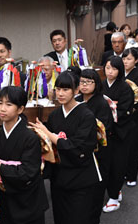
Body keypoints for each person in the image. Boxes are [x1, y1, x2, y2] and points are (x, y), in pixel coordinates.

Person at [30, 71, 100, 224]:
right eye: (58, 89)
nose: (60, 93)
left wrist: (49, 134)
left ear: (76, 91)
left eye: (66, 89)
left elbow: (78, 147)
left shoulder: (86, 115)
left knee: (79, 218)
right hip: (60, 177)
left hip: (80, 177)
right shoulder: (55, 115)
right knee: (60, 218)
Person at [0, 86, 49, 224]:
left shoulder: (30, 137)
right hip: (5, 196)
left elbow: (26, 173)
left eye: (9, 104)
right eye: (0, 103)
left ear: (20, 109)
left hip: (27, 198)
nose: (2, 108)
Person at [76, 69, 114, 224]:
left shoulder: (101, 103)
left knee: (94, 193)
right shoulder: (76, 99)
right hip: (79, 151)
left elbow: (104, 129)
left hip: (97, 153)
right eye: (81, 81)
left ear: (96, 84)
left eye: (88, 82)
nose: (84, 85)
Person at [101, 56, 134, 213]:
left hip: (120, 131)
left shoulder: (125, 88)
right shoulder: (101, 86)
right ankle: (115, 190)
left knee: (118, 163)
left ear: (120, 70)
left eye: (114, 68)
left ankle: (114, 197)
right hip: (105, 131)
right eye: (107, 68)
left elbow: (125, 110)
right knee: (106, 164)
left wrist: (112, 109)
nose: (110, 71)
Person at [122, 49, 138, 187]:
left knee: (134, 145)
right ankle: (123, 171)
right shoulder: (119, 72)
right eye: (124, 59)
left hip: (135, 114)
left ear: (136, 61)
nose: (125, 61)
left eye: (129, 59)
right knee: (123, 146)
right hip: (121, 115)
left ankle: (132, 175)